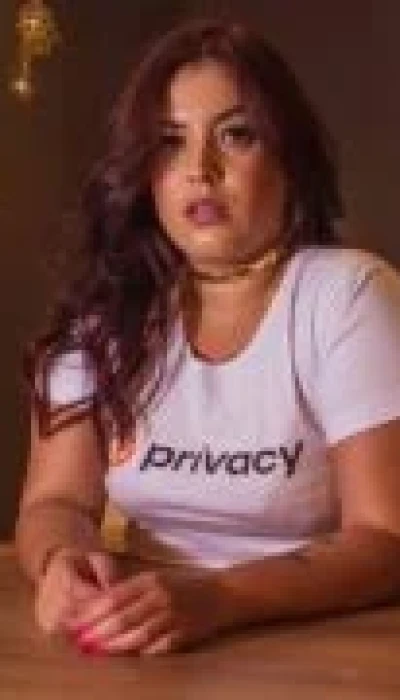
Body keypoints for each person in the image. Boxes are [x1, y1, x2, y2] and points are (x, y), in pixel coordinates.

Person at [15, 17, 400, 657]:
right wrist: (62, 562)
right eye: (170, 142)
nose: (200, 169)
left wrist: (217, 599)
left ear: (289, 160)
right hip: (142, 635)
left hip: (317, 644)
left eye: (236, 135)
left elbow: (386, 539)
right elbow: (55, 500)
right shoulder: (106, 314)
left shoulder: (347, 296)